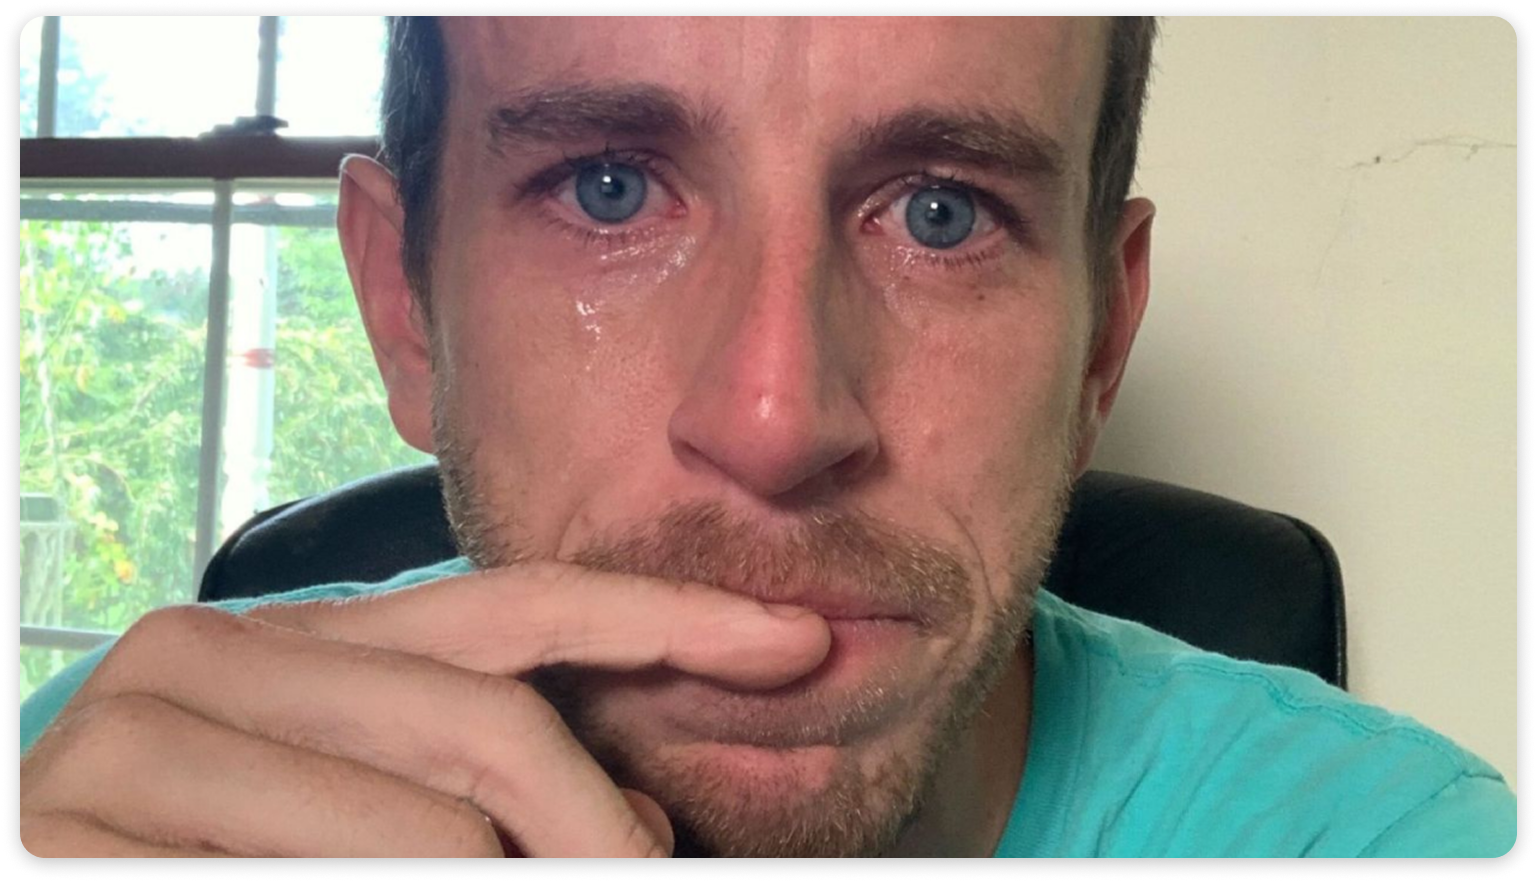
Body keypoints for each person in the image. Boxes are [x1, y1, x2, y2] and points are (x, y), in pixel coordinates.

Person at [18, 16, 1517, 859]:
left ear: (1098, 350)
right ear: (408, 310)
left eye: (943, 212)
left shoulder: (1388, 839)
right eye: (608, 188)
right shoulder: (92, 785)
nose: (778, 419)